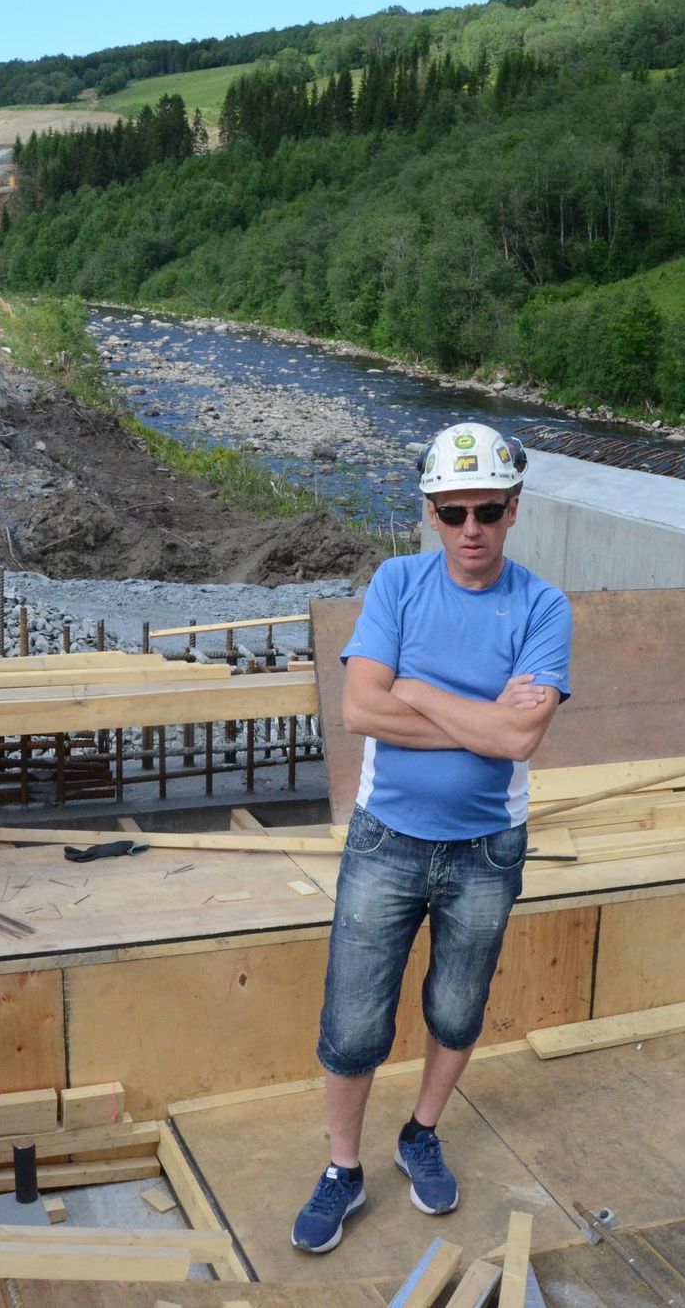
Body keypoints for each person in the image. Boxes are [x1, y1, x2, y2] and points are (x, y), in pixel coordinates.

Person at [291, 423, 572, 1256]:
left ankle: (420, 1131)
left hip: (486, 849)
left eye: (488, 508)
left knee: (457, 1007)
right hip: (387, 841)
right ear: (432, 512)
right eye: (453, 512)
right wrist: (481, 716)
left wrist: (415, 687)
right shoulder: (398, 583)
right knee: (352, 1020)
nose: (471, 528)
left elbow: (520, 741)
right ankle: (344, 1167)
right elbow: (358, 710)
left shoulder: (543, 606)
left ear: (514, 508)